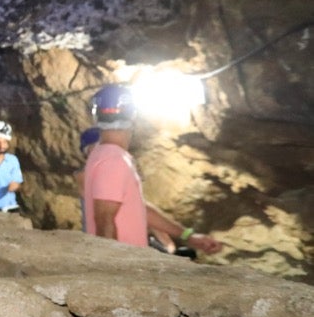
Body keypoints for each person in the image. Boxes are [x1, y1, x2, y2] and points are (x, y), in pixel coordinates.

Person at [82, 84, 223, 255]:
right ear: (133, 114)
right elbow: (104, 220)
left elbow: (140, 210)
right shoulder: (114, 159)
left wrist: (188, 236)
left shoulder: (106, 154)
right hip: (124, 268)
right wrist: (112, 271)